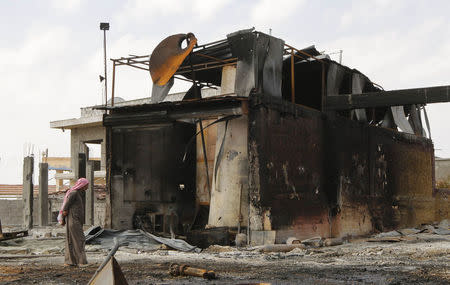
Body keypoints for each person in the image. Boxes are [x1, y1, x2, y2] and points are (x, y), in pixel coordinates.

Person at [57, 178, 89, 267]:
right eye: (86, 184)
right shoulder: (74, 193)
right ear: (82, 185)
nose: (87, 186)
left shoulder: (78, 194)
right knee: (80, 240)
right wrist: (63, 217)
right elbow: (65, 208)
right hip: (73, 221)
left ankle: (70, 261)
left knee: (71, 240)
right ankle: (81, 261)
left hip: (74, 220)